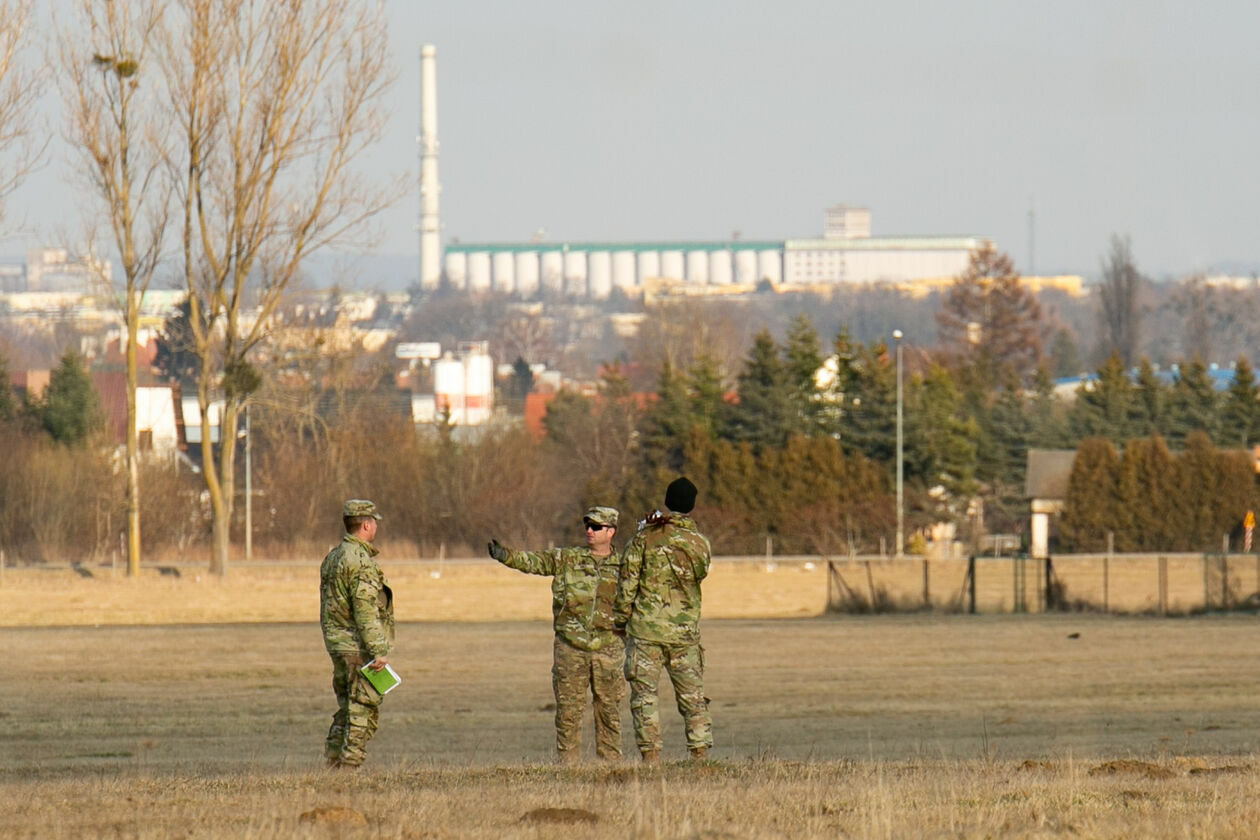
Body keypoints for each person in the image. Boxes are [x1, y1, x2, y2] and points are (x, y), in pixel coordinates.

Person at [487, 505, 625, 764]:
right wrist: (505, 555)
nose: (589, 531)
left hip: (609, 648)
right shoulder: (568, 558)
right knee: (568, 712)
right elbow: (534, 562)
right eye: (587, 526)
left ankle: (610, 767)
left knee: (609, 711)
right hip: (570, 648)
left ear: (611, 532)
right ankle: (567, 767)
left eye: (596, 527)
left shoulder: (626, 565)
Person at [613, 476, 713, 762]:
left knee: (644, 696)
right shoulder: (700, 543)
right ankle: (700, 754)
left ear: (667, 501)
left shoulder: (643, 538)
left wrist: (620, 620)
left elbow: (627, 583)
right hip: (684, 633)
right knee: (693, 696)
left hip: (646, 631)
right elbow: (701, 573)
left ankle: (651, 757)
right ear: (692, 506)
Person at [319, 499, 394, 769]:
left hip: (336, 643)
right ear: (366, 524)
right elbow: (365, 609)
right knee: (363, 707)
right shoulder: (360, 562)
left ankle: (332, 762)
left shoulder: (332, 557)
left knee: (347, 707)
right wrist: (378, 650)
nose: (375, 526)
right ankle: (349, 767)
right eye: (373, 521)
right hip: (356, 646)